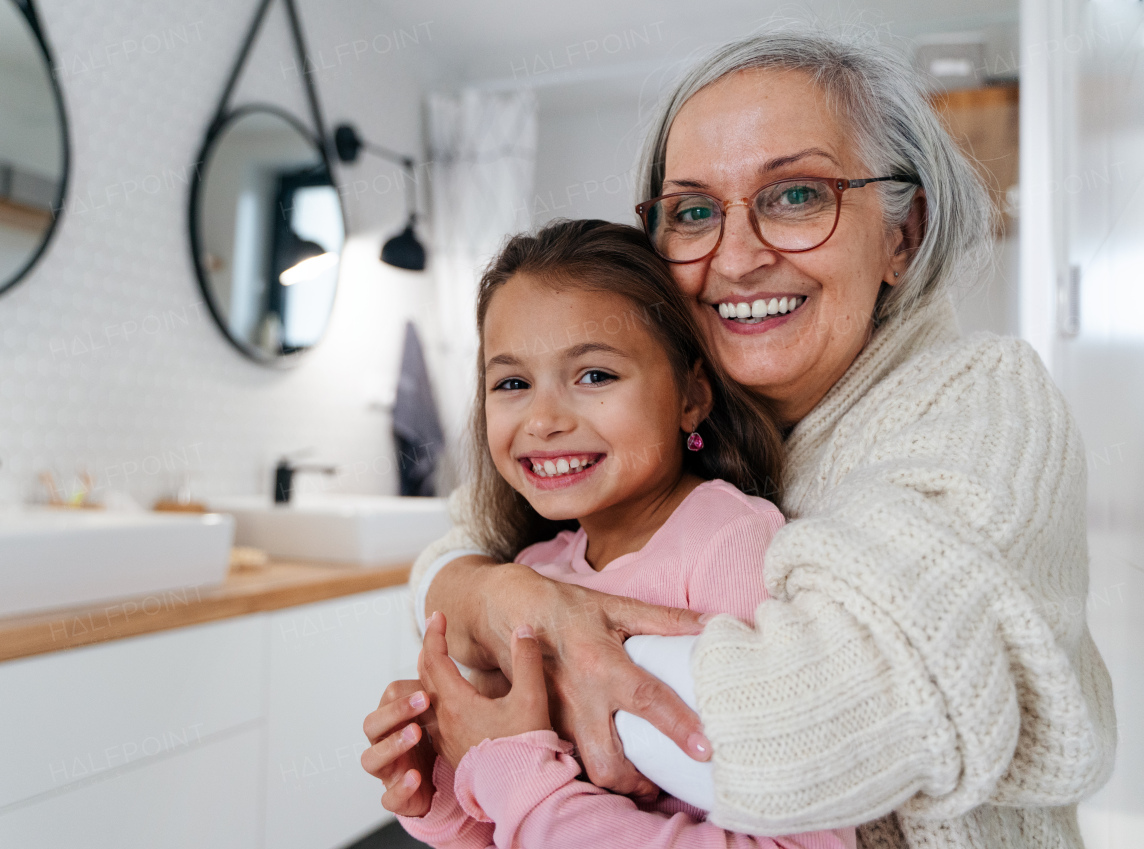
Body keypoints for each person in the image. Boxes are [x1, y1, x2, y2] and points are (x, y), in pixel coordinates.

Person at [396, 30, 1116, 849]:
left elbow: (810, 722)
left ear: (903, 233)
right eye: (695, 212)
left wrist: (508, 703)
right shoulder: (679, 412)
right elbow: (451, 558)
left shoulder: (984, 402)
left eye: (796, 195)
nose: (735, 257)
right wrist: (503, 603)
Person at [363, 219, 854, 848]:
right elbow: (521, 827)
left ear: (691, 395)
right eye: (512, 383)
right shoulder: (534, 573)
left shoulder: (732, 549)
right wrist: (446, 785)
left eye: (594, 376)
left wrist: (512, 773)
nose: (542, 420)